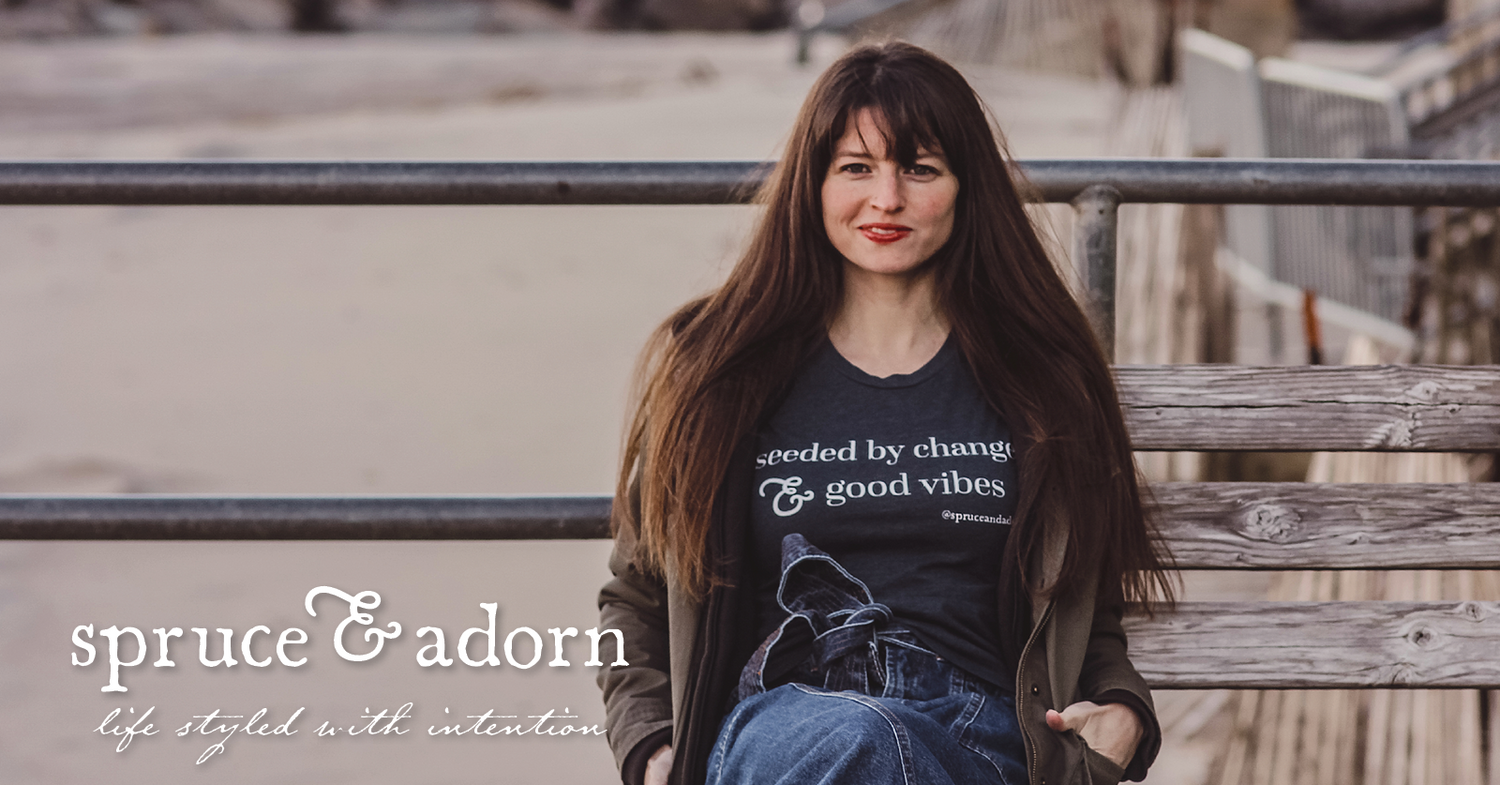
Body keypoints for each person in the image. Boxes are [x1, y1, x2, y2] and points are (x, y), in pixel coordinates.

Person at [596, 41, 1176, 785]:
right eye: (856, 168)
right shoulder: (721, 370)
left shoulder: (1043, 379)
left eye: (921, 169)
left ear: (968, 189)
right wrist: (650, 745)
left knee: (888, 750)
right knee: (866, 744)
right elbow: (636, 595)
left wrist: (1123, 710)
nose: (887, 199)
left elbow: (1085, 610)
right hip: (784, 720)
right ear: (813, 185)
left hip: (980, 727)